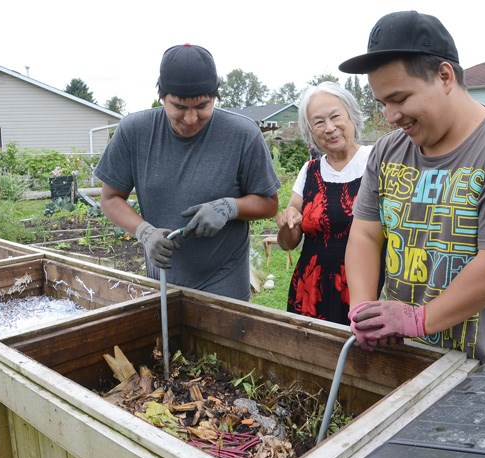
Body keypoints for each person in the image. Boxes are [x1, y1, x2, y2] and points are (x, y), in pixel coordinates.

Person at [339, 11, 485, 362]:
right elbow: (366, 235)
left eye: (400, 99)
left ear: (444, 76)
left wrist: (419, 319)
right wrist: (364, 309)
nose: (391, 116)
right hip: (406, 359)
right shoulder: (387, 151)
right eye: (382, 103)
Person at [94, 44, 280, 301]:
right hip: (161, 284)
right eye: (179, 106)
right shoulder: (135, 132)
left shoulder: (242, 135)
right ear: (162, 97)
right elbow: (110, 198)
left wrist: (228, 207)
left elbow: (269, 204)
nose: (191, 118)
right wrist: (144, 232)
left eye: (203, 106)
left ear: (215, 97)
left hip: (225, 285)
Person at [275, 82, 384, 324]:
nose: (330, 128)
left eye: (336, 117)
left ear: (352, 117)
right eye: (319, 122)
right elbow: (288, 244)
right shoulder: (310, 170)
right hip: (311, 290)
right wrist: (288, 223)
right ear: (310, 130)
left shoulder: (376, 161)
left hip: (364, 288)